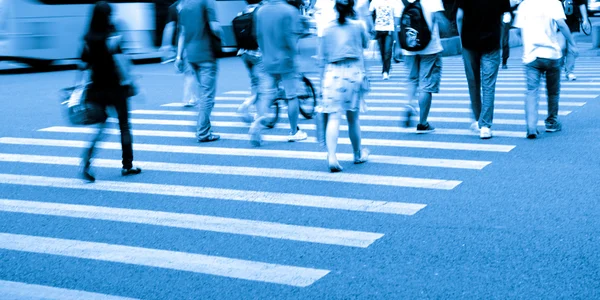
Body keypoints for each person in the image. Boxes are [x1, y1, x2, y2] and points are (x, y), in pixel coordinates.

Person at [80, 1, 142, 182]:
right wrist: (130, 81)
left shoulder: (88, 38)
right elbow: (120, 60)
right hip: (116, 88)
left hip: (96, 89)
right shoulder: (112, 34)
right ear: (108, 15)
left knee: (101, 125)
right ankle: (127, 165)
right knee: (123, 125)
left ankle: (88, 158)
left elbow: (83, 65)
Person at [456, 0, 522, 139]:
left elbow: (459, 17)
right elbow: (505, 17)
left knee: (473, 83)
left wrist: (462, 41)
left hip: (469, 44)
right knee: (488, 85)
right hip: (491, 43)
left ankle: (477, 119)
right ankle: (485, 126)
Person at [514, 0, 578, 138]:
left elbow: (519, 32)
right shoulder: (554, 3)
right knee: (553, 92)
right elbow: (561, 24)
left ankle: (531, 127)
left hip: (531, 56)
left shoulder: (524, 5)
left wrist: (528, 40)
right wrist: (572, 43)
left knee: (532, 91)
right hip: (552, 55)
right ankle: (551, 122)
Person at [319, 0, 370, 172]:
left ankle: (332, 156)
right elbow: (366, 44)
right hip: (353, 72)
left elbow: (322, 57)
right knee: (353, 119)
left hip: (332, 72)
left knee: (333, 117)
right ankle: (357, 154)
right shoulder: (358, 26)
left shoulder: (327, 29)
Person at [255, 0, 308, 144]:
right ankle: (294, 131)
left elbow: (258, 36)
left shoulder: (260, 11)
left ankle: (258, 125)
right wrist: (295, 58)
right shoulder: (289, 11)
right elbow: (289, 38)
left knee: (266, 95)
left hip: (267, 59)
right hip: (286, 60)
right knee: (292, 96)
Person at [176, 0, 222, 143]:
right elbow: (215, 27)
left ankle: (206, 128)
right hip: (206, 54)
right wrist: (222, 40)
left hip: (190, 56)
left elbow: (182, 33)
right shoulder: (207, 2)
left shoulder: (183, 6)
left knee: (203, 93)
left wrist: (178, 56)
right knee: (207, 96)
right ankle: (203, 132)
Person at [400, 0, 448, 133]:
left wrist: (398, 47)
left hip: (408, 46)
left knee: (412, 79)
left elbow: (397, 22)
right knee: (426, 84)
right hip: (430, 48)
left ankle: (409, 104)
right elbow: (442, 23)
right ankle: (422, 123)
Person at [160, 1, 199, 107]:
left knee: (188, 72)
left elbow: (170, 26)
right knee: (193, 72)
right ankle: (190, 97)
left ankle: (191, 96)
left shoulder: (174, 6)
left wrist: (166, 44)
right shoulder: (196, 5)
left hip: (182, 43)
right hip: (196, 42)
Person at [234, 0, 265, 125]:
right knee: (263, 86)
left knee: (254, 83)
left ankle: (256, 112)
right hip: (258, 53)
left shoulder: (242, 12)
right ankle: (246, 105)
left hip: (244, 53)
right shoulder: (261, 12)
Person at [369, 0, 402, 80]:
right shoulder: (375, 1)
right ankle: (387, 66)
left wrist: (395, 28)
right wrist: (372, 25)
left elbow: (397, 16)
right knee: (382, 52)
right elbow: (369, 13)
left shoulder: (395, 2)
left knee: (387, 51)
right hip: (378, 29)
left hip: (389, 30)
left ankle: (385, 71)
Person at [559, 0, 590, 81]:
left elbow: (581, 4)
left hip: (573, 23)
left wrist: (585, 19)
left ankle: (569, 72)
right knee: (561, 47)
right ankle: (558, 67)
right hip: (559, 23)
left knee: (571, 48)